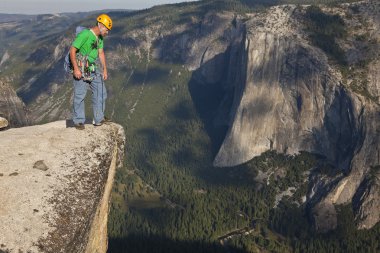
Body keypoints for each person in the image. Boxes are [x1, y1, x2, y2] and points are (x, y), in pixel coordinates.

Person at [70, 14, 112, 130]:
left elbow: (101, 53)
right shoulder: (85, 35)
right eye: (107, 29)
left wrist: (105, 70)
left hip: (92, 69)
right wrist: (76, 69)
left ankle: (99, 119)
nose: (107, 32)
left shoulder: (100, 38)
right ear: (100, 25)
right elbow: (72, 51)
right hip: (81, 68)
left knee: (101, 92)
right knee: (79, 95)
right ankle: (78, 121)